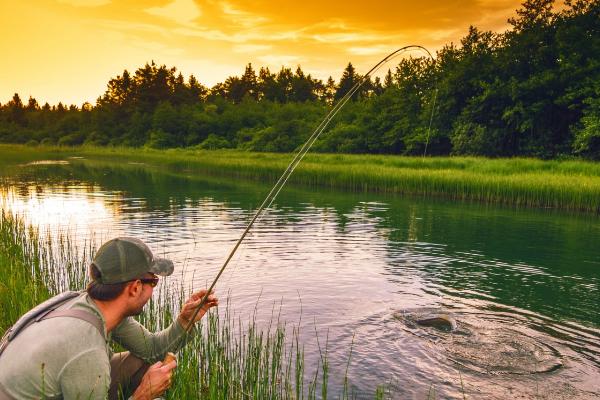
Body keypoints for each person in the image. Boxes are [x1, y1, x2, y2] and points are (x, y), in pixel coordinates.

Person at [0, 237, 218, 400]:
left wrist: (185, 321)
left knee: (138, 361)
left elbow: (152, 350)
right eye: (153, 282)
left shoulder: (88, 304)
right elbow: (85, 357)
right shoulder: (87, 351)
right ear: (134, 287)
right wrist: (143, 395)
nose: (153, 289)